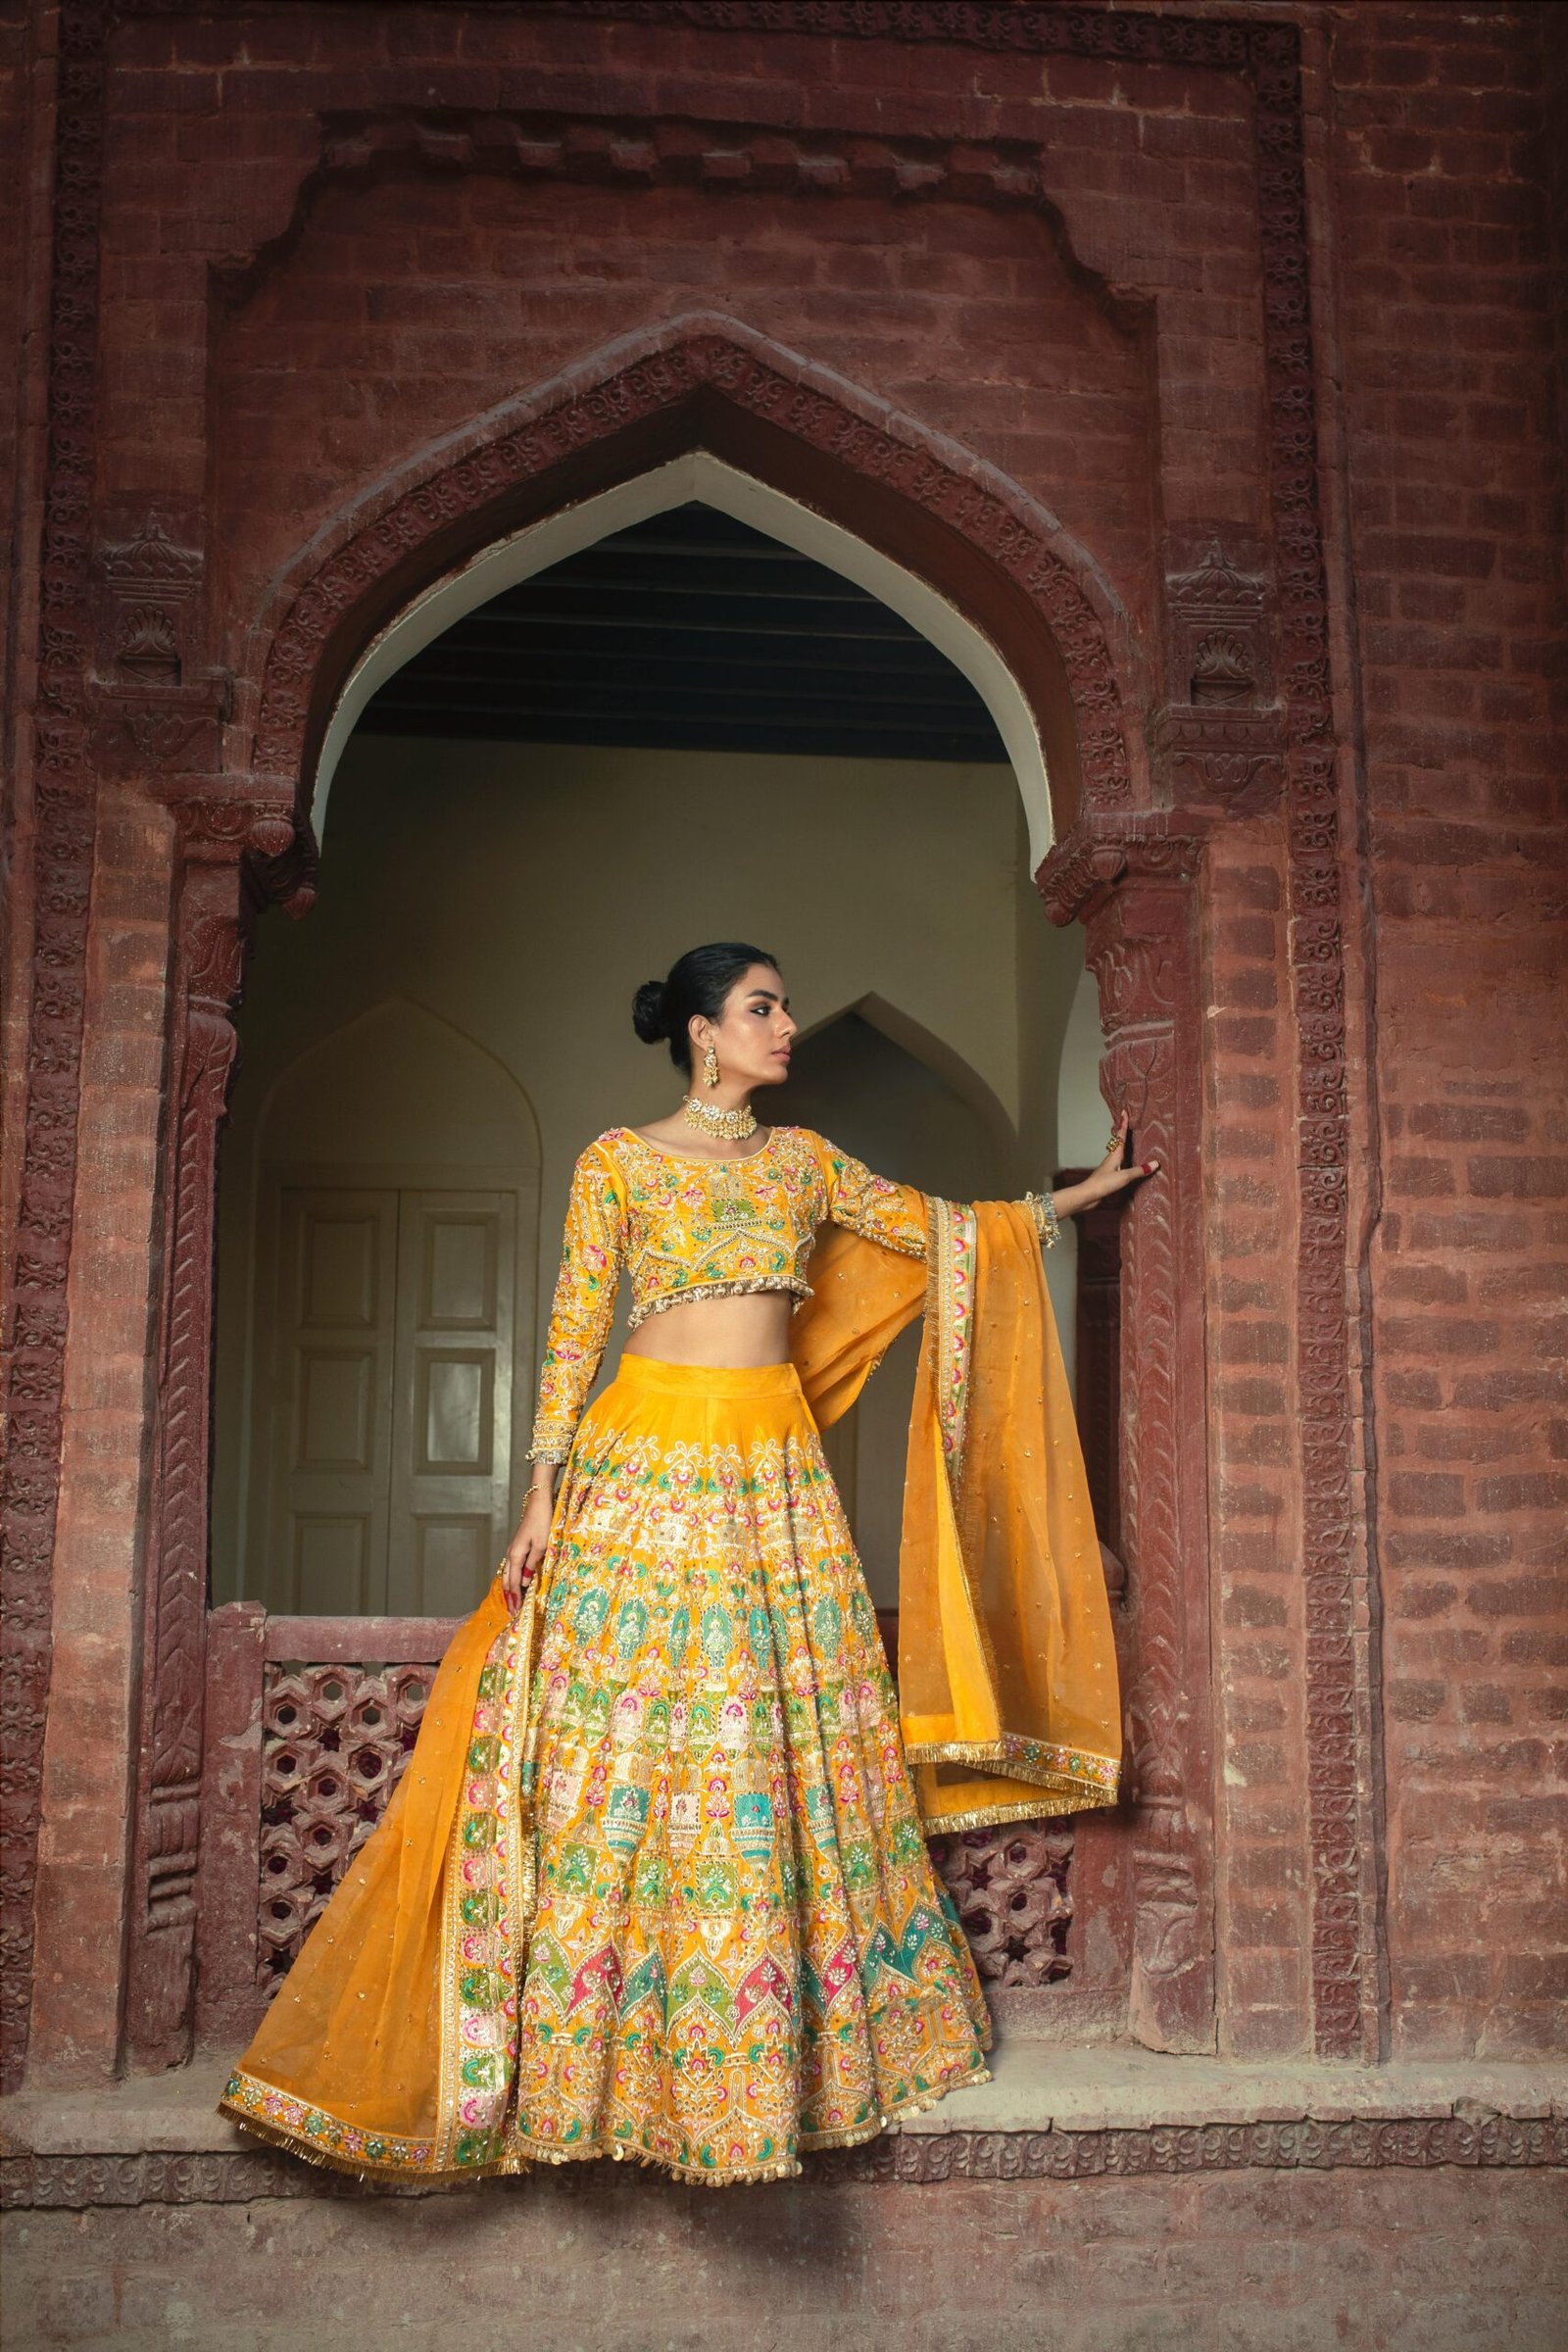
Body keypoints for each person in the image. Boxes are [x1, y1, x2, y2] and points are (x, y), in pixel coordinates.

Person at [221, 943, 1157, 2187]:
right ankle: (586, 2065)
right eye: (763, 1009)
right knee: (625, 1747)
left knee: (773, 1742)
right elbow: (569, 1334)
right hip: (643, 1464)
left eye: (784, 1009)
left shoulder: (806, 1163)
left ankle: (770, 2049)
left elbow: (938, 1235)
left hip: (771, 1473)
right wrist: (539, 1497)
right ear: (704, 1033)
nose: (785, 1028)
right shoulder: (619, 1163)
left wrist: (1066, 1206)